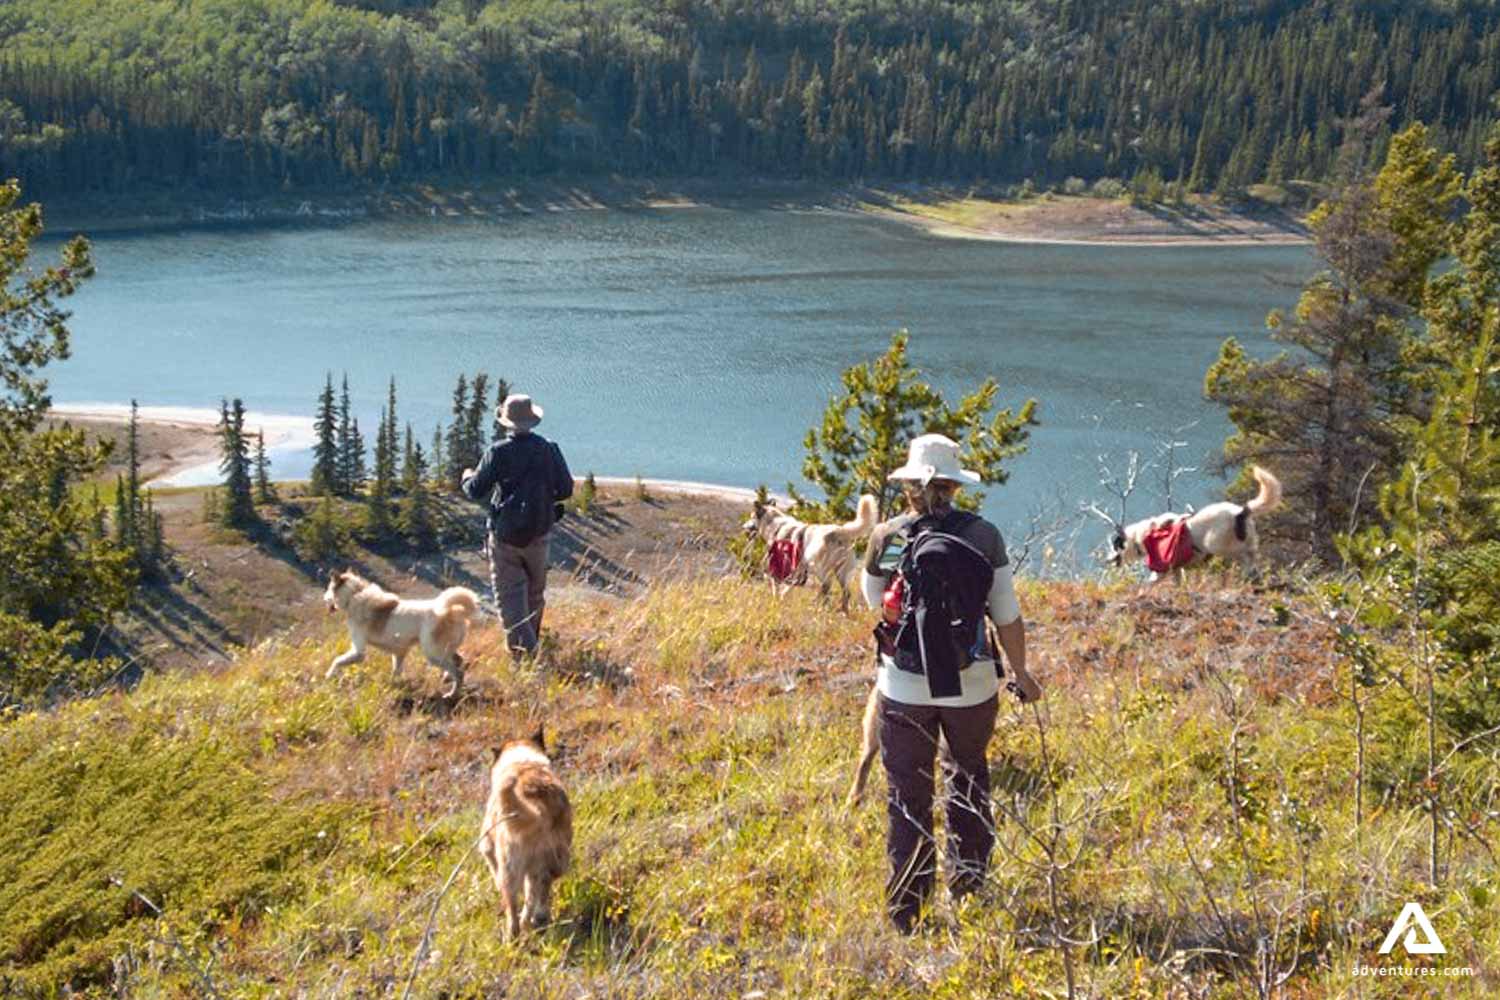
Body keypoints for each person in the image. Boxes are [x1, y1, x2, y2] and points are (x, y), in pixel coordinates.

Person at [859, 433, 1041, 933]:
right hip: (974, 685)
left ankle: (907, 915)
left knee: (907, 796)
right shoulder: (983, 535)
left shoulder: (891, 535)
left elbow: (872, 600)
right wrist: (1021, 674)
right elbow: (1006, 615)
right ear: (954, 486)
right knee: (968, 779)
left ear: (911, 485)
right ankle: (970, 888)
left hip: (903, 687)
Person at [462, 394, 573, 659]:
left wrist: (466, 476)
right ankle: (529, 648)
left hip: (505, 537)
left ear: (507, 423)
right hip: (540, 533)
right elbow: (566, 489)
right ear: (532, 421)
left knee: (510, 596)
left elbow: (476, 490)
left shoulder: (497, 452)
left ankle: (526, 656)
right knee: (534, 594)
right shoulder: (549, 448)